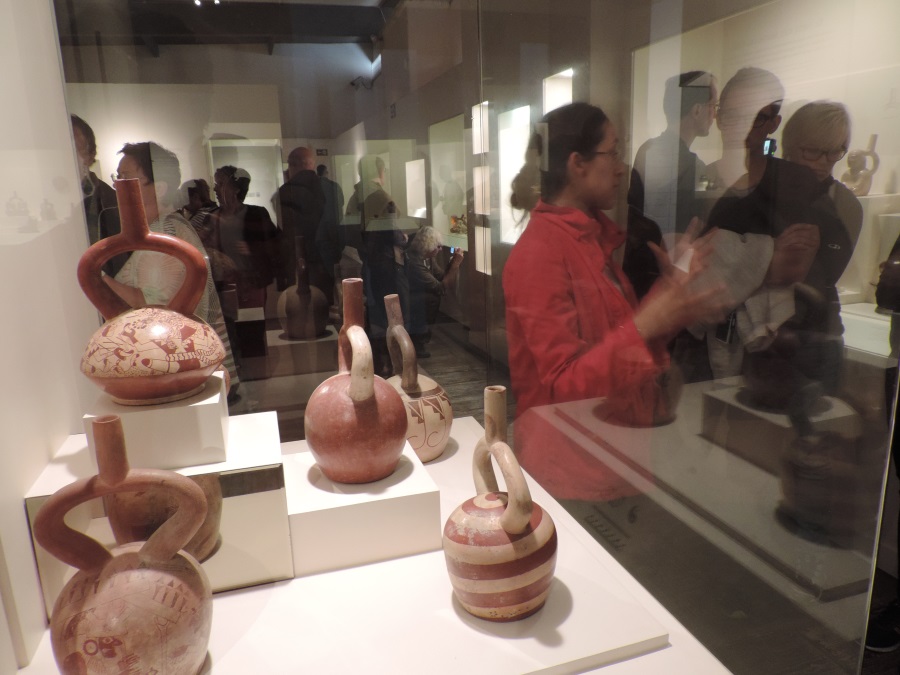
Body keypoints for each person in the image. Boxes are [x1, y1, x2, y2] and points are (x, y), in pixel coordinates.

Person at [503, 102, 724, 501]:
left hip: (611, 455)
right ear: (578, 163)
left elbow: (616, 339)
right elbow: (565, 389)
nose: (622, 168)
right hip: (571, 471)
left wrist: (668, 294)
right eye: (614, 153)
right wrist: (648, 322)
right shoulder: (541, 252)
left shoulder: (587, 239)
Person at [103, 142, 239, 394]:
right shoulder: (158, 230)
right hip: (171, 367)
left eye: (125, 177)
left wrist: (98, 278)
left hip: (176, 369)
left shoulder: (166, 233)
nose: (117, 186)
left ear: (159, 188)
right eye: (117, 177)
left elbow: (155, 309)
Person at [623, 71, 718, 299]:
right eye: (713, 106)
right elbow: (710, 217)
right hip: (668, 279)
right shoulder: (697, 168)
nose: (715, 115)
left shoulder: (646, 149)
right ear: (697, 110)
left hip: (638, 272)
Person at [208, 165, 281, 309]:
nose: (215, 189)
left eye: (221, 184)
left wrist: (253, 249)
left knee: (253, 320)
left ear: (236, 189)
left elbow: (276, 244)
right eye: (216, 184)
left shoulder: (257, 214)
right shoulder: (212, 217)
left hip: (251, 284)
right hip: (222, 286)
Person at [70, 115, 126, 276]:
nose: (69, 155)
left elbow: (116, 265)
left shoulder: (110, 202)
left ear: (90, 155)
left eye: (75, 148)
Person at [406, 226, 464, 357]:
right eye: (438, 247)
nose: (440, 249)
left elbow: (441, 277)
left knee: (432, 298)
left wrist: (452, 263)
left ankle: (421, 339)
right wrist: (455, 265)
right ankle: (418, 341)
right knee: (432, 298)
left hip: (417, 296)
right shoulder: (415, 263)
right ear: (428, 247)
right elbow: (441, 287)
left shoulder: (427, 258)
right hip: (411, 298)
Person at [275, 147, 326, 296]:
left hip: (297, 258)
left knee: (299, 301)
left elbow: (287, 231)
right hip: (324, 258)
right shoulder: (330, 188)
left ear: (293, 165)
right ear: (311, 164)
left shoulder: (286, 191)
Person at [316, 163, 345, 299]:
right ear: (326, 172)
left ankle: (328, 301)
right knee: (334, 270)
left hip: (319, 233)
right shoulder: (334, 186)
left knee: (323, 273)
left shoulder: (314, 187)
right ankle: (336, 300)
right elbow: (340, 205)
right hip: (334, 231)